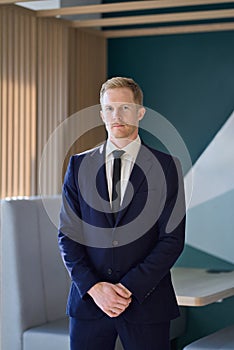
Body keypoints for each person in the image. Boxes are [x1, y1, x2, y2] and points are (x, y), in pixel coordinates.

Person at [58, 77, 186, 350]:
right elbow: (68, 237)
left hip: (147, 304)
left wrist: (127, 289)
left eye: (125, 108)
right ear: (102, 114)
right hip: (89, 305)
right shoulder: (78, 165)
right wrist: (95, 289)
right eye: (110, 108)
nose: (117, 115)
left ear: (140, 113)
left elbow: (172, 240)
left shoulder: (167, 168)